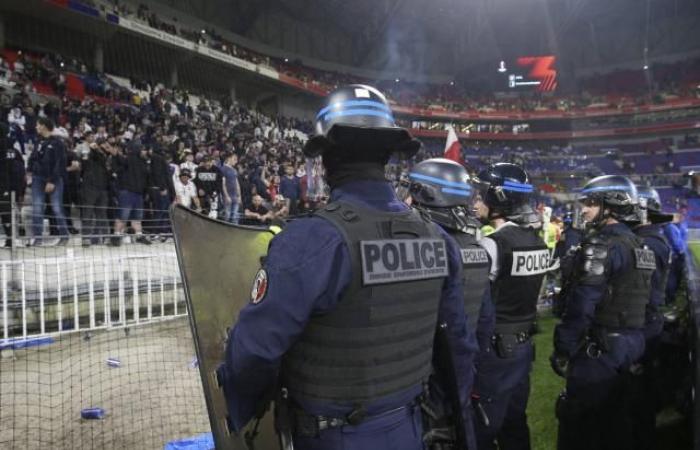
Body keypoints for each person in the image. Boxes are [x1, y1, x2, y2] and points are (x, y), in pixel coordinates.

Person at [218, 85, 477, 450]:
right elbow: (457, 345)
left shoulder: (310, 240)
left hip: (333, 436)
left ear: (326, 160)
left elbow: (254, 352)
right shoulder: (438, 240)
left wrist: (244, 412)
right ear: (387, 155)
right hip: (412, 428)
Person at [552, 175, 654, 450]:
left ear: (612, 205)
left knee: (580, 429)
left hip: (601, 349)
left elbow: (583, 304)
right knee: (617, 426)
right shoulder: (641, 246)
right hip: (633, 344)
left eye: (592, 203)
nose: (584, 209)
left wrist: (564, 346)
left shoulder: (601, 246)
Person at [408, 158, 496, 447]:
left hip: (424, 383)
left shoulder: (423, 251)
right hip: (462, 374)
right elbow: (485, 323)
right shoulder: (478, 250)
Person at [471, 162, 546, 450]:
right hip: (524, 347)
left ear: (498, 198)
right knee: (515, 424)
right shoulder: (536, 241)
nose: (476, 202)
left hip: (494, 351)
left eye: (481, 195)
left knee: (483, 428)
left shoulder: (493, 245)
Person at [627, 186, 673, 450]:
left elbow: (642, 290)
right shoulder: (653, 238)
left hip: (643, 323)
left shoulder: (648, 244)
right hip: (649, 321)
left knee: (638, 392)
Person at [27, 117, 69, 246]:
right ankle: (37, 238)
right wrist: (29, 171)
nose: (36, 127)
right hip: (37, 177)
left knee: (56, 208)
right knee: (37, 208)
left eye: (38, 125)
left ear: (44, 126)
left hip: (54, 179)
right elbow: (33, 157)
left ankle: (64, 235)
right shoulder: (38, 141)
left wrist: (51, 181)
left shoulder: (58, 143)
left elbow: (59, 164)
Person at [110, 143, 151, 246]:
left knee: (137, 217)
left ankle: (138, 235)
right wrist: (116, 156)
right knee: (123, 216)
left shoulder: (142, 162)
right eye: (142, 150)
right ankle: (116, 236)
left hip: (137, 193)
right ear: (136, 150)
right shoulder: (129, 160)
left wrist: (145, 192)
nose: (144, 151)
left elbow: (145, 179)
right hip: (127, 193)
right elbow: (118, 165)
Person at [80, 136, 115, 246]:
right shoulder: (92, 154)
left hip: (103, 188)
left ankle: (106, 237)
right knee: (88, 213)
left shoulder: (108, 157)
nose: (106, 147)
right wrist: (93, 149)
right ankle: (86, 238)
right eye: (104, 145)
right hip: (90, 188)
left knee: (102, 214)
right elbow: (85, 162)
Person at [0, 122, 26, 248]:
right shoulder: (14, 150)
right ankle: (11, 239)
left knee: (6, 214)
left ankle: (11, 239)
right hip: (11, 187)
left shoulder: (7, 149)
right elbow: (21, 169)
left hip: (5, 186)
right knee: (7, 214)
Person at [220, 152, 241, 224]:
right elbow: (223, 184)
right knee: (227, 217)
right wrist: (226, 196)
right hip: (227, 196)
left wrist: (239, 196)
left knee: (235, 217)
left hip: (235, 196)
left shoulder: (234, 170)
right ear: (229, 158)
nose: (236, 161)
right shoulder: (223, 169)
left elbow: (237, 183)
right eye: (234, 159)